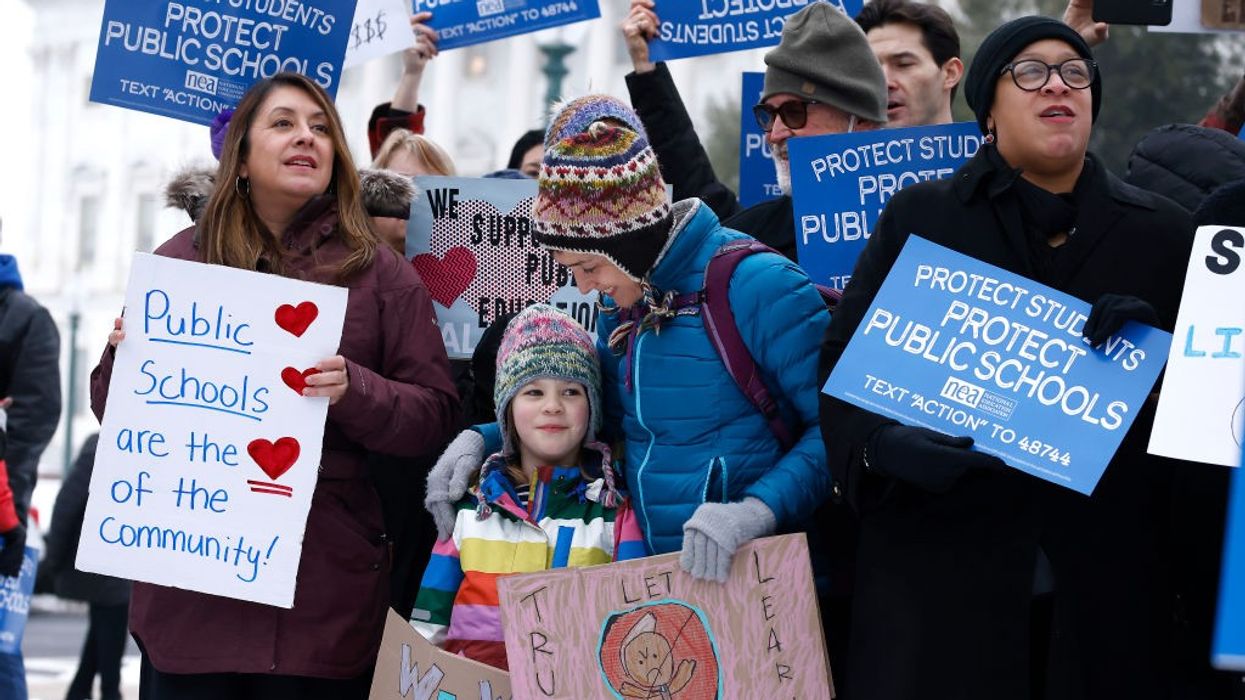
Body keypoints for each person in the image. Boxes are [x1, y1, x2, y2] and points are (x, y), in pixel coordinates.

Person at [819, 17, 1193, 700]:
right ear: (987, 107)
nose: (1058, 84)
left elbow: (1206, 430)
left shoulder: (1164, 234)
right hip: (943, 584)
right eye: (1031, 71)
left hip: (1106, 595)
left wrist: (1166, 356)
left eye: (1075, 72)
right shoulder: (923, 217)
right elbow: (841, 369)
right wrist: (882, 448)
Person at [90, 72, 459, 699]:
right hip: (192, 590)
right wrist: (122, 359)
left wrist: (357, 390)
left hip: (320, 600)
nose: (305, 138)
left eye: (321, 128)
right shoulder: (181, 261)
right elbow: (115, 410)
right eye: (283, 123)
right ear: (242, 152)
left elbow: (435, 417)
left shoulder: (380, 274)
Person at [429, 95, 830, 583]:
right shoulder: (619, 302)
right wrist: (487, 439)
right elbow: (601, 418)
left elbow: (834, 430)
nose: (580, 286)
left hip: (766, 575)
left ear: (629, 243)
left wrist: (756, 510)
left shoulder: (759, 285)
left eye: (588, 266)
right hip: (664, 575)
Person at [410, 304, 644, 669]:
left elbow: (636, 628)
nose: (552, 406)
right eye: (533, 392)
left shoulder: (615, 515)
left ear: (592, 407)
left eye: (571, 392)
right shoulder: (472, 508)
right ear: (507, 409)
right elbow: (427, 628)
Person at [620, 1, 887, 261]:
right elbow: (693, 183)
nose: (776, 134)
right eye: (768, 115)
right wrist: (647, 70)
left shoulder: (916, 222)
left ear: (861, 121)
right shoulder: (749, 243)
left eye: (795, 112)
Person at [44, 434, 132, 700]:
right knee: (110, 639)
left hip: (110, 565)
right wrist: (53, 561)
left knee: (102, 637)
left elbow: (67, 504)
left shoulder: (110, 442)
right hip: (103, 566)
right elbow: (67, 505)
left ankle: (81, 692)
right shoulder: (104, 445)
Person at [855, 0, 963, 127]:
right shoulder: (835, 146)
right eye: (872, 68)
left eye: (903, 64)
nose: (884, 82)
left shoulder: (986, 144)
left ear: (950, 73)